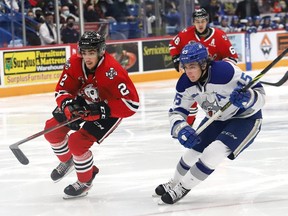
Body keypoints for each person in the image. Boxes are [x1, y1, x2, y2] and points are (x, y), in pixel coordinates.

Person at [154, 42, 265, 204]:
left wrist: (248, 98)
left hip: (246, 118)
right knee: (192, 151)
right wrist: (182, 129)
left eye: (192, 66)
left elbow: (260, 95)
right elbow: (177, 112)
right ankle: (174, 182)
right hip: (217, 118)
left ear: (203, 64)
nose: (188, 72)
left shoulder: (226, 72)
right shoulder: (185, 83)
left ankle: (183, 187)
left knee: (214, 151)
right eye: (185, 67)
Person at [43, 31, 139, 199]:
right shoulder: (73, 63)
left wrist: (101, 110)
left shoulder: (112, 70)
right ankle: (68, 161)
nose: (87, 57)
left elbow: (131, 104)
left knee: (77, 143)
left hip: (109, 110)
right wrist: (68, 106)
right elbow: (62, 90)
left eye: (91, 53)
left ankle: (85, 181)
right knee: (51, 130)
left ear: (101, 51)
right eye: (84, 52)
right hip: (84, 100)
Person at [169, 8, 238, 126]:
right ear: (193, 22)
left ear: (207, 21)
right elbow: (173, 45)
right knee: (189, 100)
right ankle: (186, 127)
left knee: (217, 106)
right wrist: (176, 59)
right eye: (197, 21)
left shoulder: (220, 36)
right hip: (195, 74)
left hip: (214, 78)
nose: (200, 24)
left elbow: (233, 58)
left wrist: (221, 69)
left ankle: (226, 123)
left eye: (202, 21)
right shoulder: (186, 33)